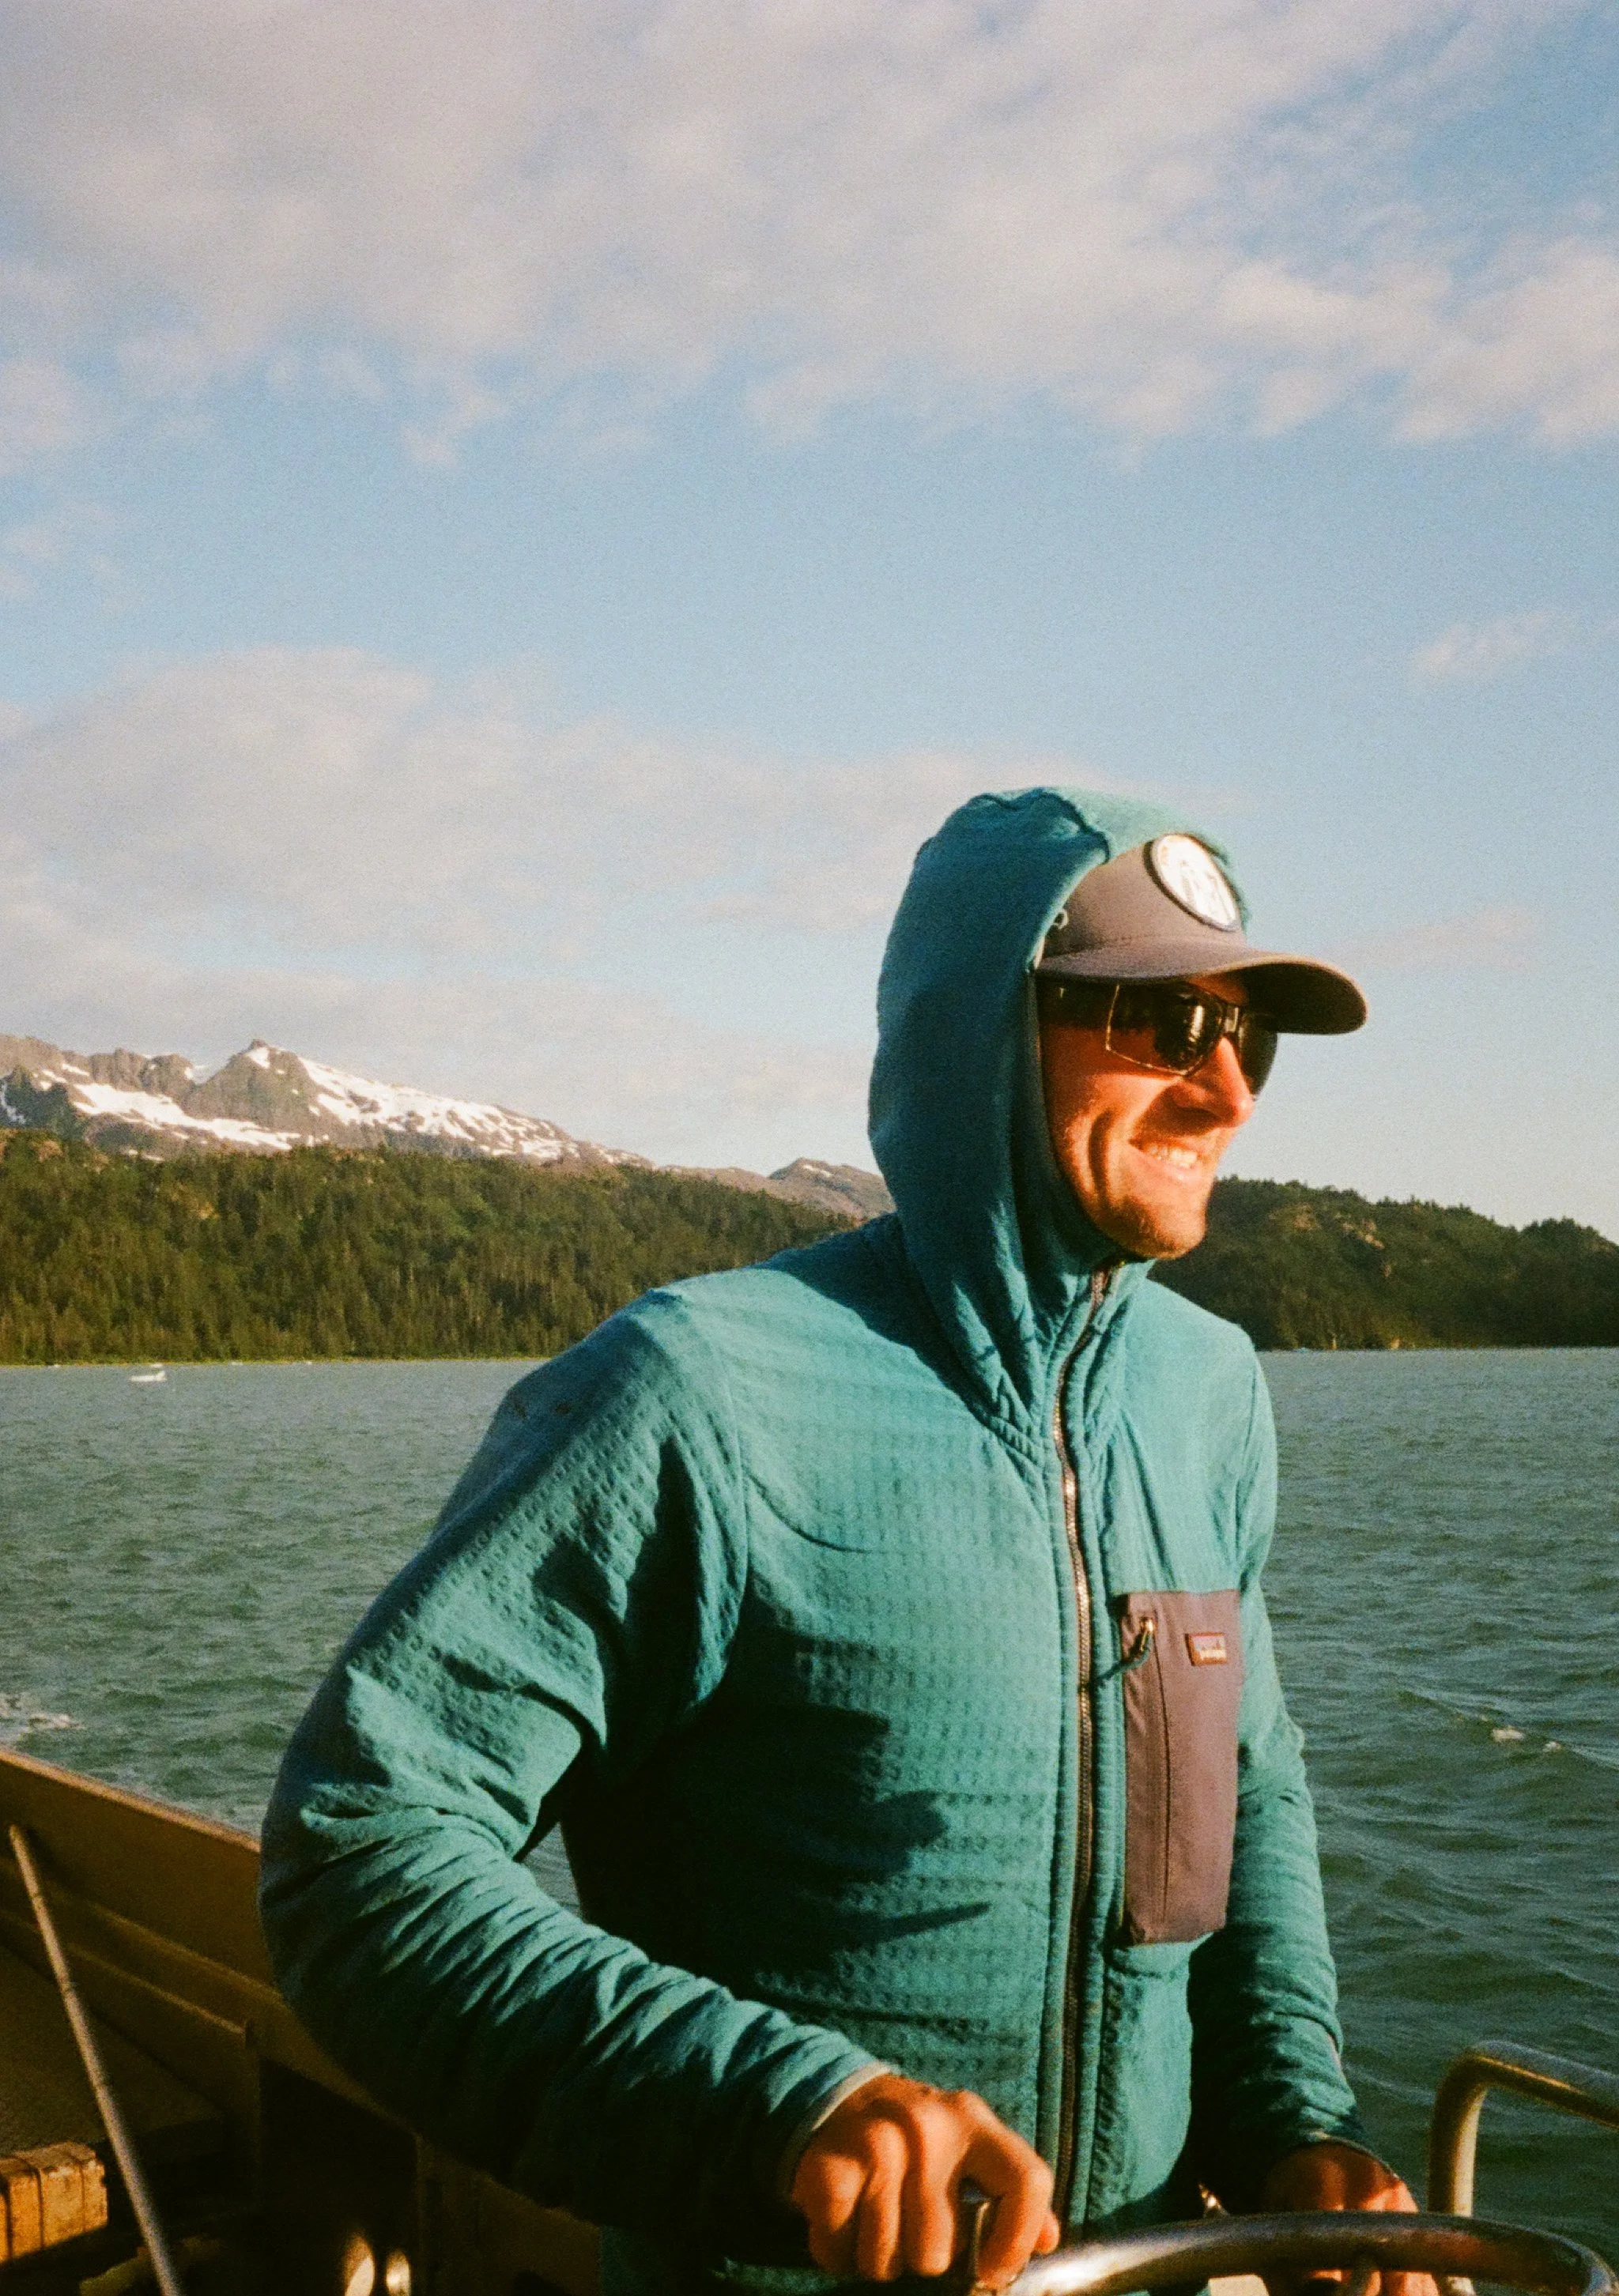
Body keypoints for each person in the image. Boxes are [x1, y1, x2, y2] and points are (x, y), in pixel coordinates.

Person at [262, 786, 1425, 2296]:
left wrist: (1296, 2128)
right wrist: (774, 2106)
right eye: (1161, 1024)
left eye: (1246, 1039)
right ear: (982, 1030)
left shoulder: (1207, 1393)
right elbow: (363, 1851)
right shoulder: (702, 1392)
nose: (1227, 1096)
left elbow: (1246, 1791)